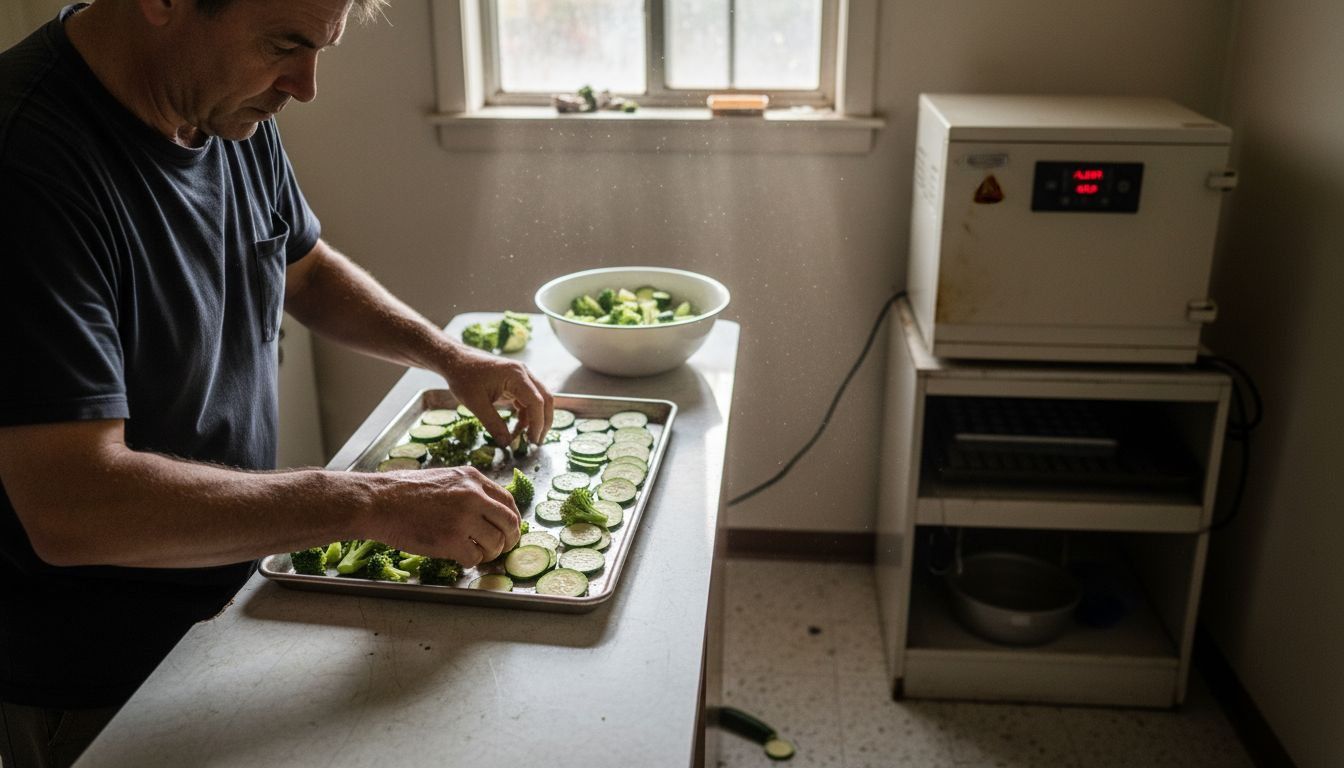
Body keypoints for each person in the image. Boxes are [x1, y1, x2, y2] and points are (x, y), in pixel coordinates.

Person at [0, 1, 553, 765]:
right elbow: (73, 505)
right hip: (103, 675)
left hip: (237, 599)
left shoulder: (224, 108)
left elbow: (306, 270)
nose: (307, 85)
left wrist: (449, 357)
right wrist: (369, 502)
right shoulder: (27, 164)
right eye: (287, 45)